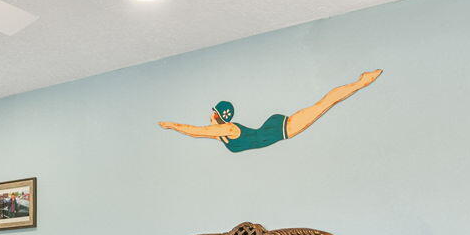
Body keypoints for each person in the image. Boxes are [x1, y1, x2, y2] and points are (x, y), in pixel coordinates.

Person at [157, 70, 383, 152]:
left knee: (323, 105)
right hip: (272, 130)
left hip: (277, 130)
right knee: (322, 105)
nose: (209, 116)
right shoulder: (223, 132)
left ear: (215, 114)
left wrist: (172, 125)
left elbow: (196, 131)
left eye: (211, 113)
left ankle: (361, 82)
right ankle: (360, 82)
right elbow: (200, 131)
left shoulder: (226, 128)